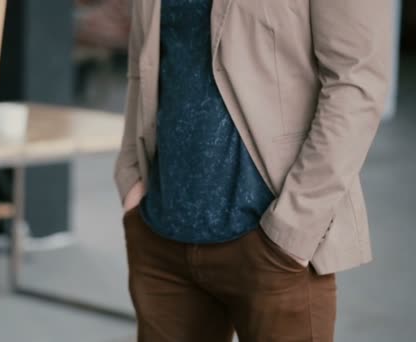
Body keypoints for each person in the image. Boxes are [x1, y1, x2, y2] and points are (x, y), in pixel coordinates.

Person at [114, 0, 392, 341]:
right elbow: (144, 59)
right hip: (162, 235)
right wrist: (131, 176)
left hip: (273, 242)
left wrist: (294, 227)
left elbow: (357, 85)